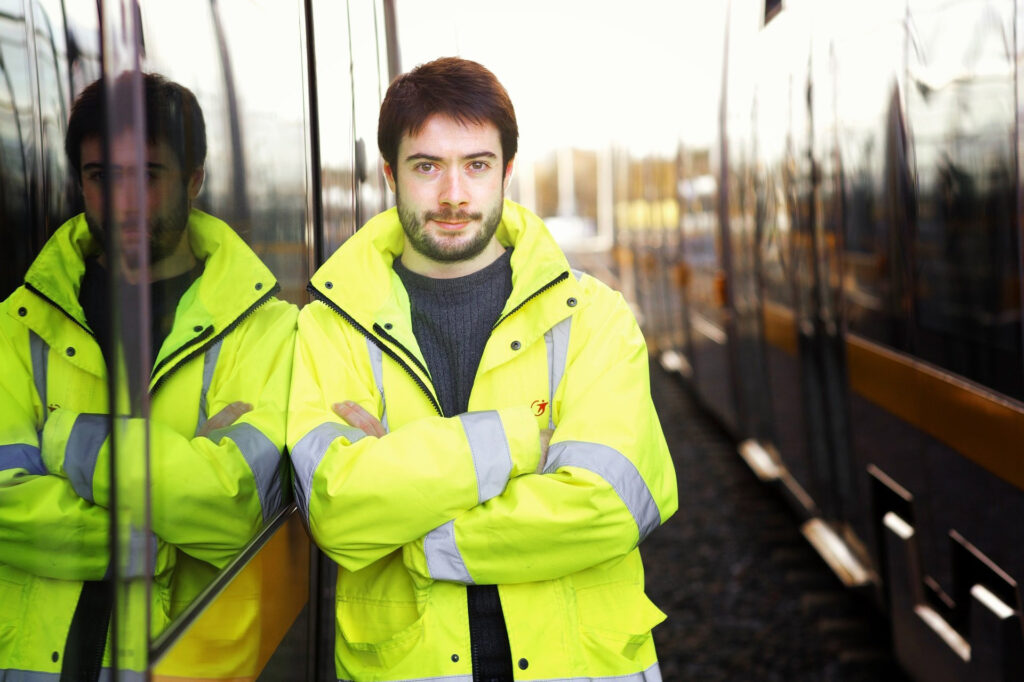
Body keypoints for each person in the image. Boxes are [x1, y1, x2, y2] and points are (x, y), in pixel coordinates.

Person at [288, 57, 677, 681]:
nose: (453, 195)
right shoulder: (330, 326)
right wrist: (522, 442)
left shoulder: (593, 317)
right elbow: (339, 512)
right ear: (390, 174)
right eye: (426, 167)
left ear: (507, 172)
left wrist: (413, 526)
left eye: (476, 165)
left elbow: (611, 508)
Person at [0, 72, 296, 679]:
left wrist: (63, 443)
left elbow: (239, 512)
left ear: (194, 182)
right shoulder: (18, 325)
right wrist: (162, 533)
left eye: (147, 175)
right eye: (101, 177)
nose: (123, 201)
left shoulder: (266, 329)